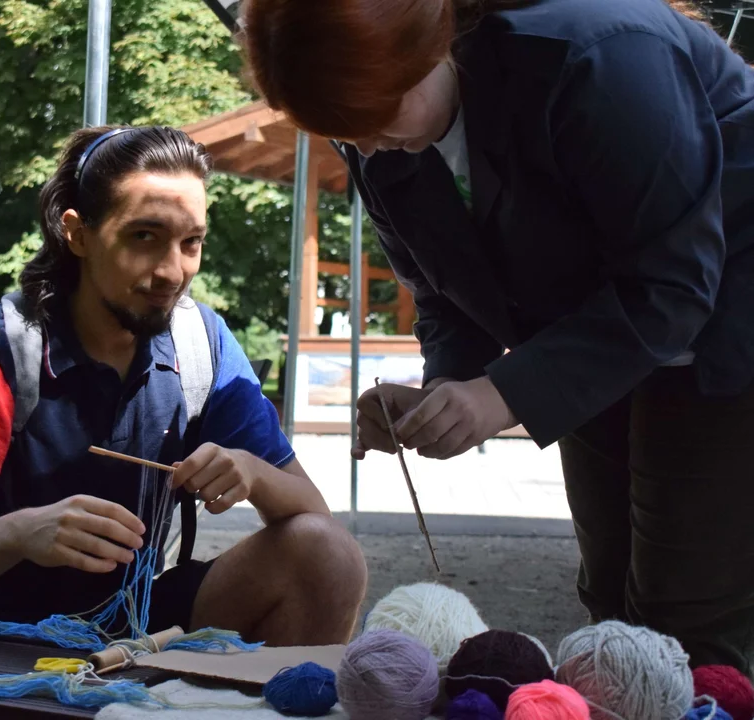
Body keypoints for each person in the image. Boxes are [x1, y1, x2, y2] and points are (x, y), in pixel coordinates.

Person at [240, 0, 754, 672]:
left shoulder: (598, 57)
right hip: (597, 336)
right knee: (609, 595)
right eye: (341, 130)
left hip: (728, 319)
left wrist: (504, 394)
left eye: (372, 118)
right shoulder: (374, 124)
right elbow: (439, 286)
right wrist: (448, 388)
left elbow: (672, 283)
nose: (363, 148)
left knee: (685, 614)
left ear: (431, 47)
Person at [0, 125, 368, 646]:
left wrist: (253, 472)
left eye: (191, 243)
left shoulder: (199, 343)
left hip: (135, 622)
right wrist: (19, 534)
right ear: (78, 234)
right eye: (144, 237)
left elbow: (315, 521)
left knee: (330, 557)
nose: (172, 271)